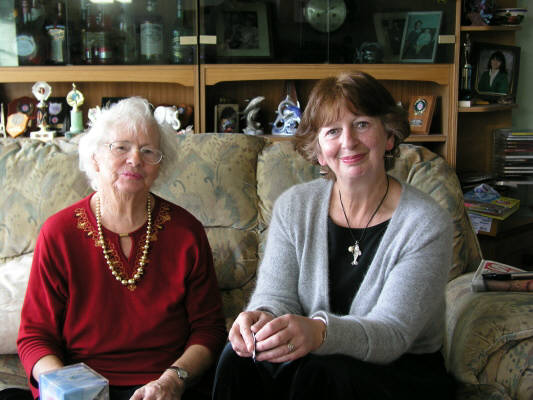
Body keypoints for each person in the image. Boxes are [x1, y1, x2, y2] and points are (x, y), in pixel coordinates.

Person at [212, 72, 456, 400]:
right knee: (239, 358)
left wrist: (320, 332)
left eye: (362, 124)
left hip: (401, 370)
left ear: (389, 135)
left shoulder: (425, 223)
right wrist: (261, 320)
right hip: (316, 359)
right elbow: (276, 296)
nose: (348, 141)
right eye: (333, 131)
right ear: (319, 151)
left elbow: (393, 333)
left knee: (319, 373)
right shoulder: (294, 206)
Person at [17, 97, 227, 400]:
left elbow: (209, 330)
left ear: (160, 166)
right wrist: (68, 390)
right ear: (95, 158)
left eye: (148, 151)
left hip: (164, 387)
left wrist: (173, 380)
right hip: (79, 388)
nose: (135, 159)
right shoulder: (58, 234)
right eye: (121, 147)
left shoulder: (186, 232)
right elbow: (35, 336)